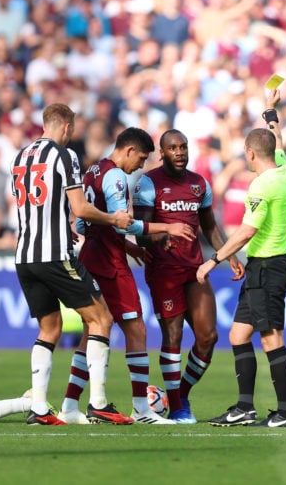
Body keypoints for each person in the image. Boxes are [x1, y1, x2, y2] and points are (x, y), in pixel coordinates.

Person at [56, 127, 195, 425]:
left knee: (92, 332)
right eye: (142, 159)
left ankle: (69, 405)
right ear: (129, 150)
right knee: (136, 330)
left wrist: (129, 248)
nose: (141, 166)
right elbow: (121, 223)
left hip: (92, 255)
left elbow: (83, 224)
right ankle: (142, 409)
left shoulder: (92, 169)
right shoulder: (117, 176)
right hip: (109, 263)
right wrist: (165, 228)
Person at [10, 103, 136, 426]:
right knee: (101, 319)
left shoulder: (20, 157)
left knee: (49, 328)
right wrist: (113, 218)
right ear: (66, 127)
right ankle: (98, 403)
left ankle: (39, 408)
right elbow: (79, 209)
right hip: (55, 254)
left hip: (24, 255)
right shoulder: (65, 156)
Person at [196, 89, 286, 428]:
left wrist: (215, 260)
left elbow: (246, 230)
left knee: (271, 338)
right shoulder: (285, 171)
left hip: (268, 267)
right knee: (238, 335)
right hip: (261, 266)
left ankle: (285, 412)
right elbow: (278, 140)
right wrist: (270, 111)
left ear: (250, 153)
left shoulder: (261, 186)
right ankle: (244, 408)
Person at [132, 128, 245, 424]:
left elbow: (210, 228)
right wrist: (160, 237)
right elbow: (140, 232)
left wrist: (230, 254)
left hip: (194, 269)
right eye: (173, 148)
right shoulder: (148, 183)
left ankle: (178, 395)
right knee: (174, 336)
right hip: (163, 271)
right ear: (162, 152)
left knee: (208, 336)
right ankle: (181, 408)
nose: (180, 152)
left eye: (183, 147)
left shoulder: (199, 184)